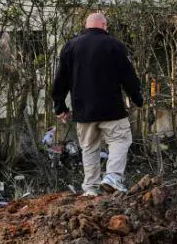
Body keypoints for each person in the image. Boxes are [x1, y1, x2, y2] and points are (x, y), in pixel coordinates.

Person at [52, 12, 144, 195]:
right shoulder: (114, 45)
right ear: (104, 26)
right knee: (120, 140)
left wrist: (59, 106)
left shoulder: (70, 46)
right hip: (111, 108)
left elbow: (60, 79)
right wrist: (136, 97)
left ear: (86, 26)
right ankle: (113, 176)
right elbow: (128, 75)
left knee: (89, 147)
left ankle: (90, 188)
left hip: (83, 110)